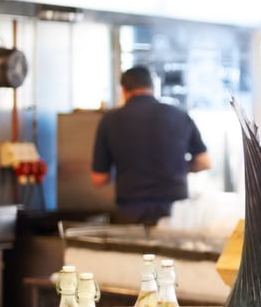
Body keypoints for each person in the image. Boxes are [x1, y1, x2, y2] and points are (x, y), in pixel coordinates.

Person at [91, 66, 212, 226]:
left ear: (124, 90)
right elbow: (205, 162)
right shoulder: (179, 115)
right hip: (175, 212)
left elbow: (99, 178)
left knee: (134, 250)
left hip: (131, 211)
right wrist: (177, 166)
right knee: (176, 251)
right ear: (152, 88)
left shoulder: (110, 120)